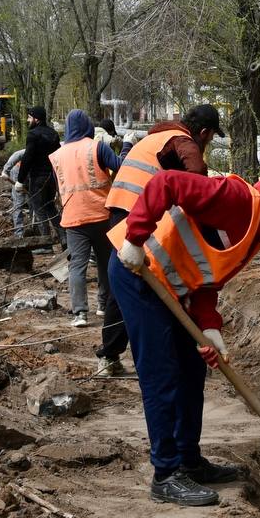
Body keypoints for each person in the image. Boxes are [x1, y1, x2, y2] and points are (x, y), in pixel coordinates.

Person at [110, 170, 260, 507]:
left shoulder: (257, 230)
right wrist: (135, 238)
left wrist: (209, 325)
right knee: (162, 375)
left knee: (193, 371)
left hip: (172, 288)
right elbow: (165, 183)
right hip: (139, 273)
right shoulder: (237, 200)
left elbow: (209, 275)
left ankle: (188, 460)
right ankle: (165, 475)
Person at [93, 103, 225, 376]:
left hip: (121, 209)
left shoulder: (156, 136)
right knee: (148, 282)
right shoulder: (182, 140)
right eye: (210, 138)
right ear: (203, 132)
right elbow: (196, 172)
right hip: (136, 214)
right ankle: (163, 356)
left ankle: (110, 355)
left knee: (125, 284)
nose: (208, 143)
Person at [49, 109, 129, 330]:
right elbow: (120, 167)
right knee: (105, 264)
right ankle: (103, 306)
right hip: (102, 215)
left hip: (73, 218)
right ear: (88, 127)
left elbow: (59, 187)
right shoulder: (96, 147)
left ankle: (80, 313)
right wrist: (128, 146)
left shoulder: (57, 155)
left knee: (77, 266)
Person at [18, 106, 64, 248]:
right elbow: (58, 157)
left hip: (37, 178)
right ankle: (65, 239)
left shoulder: (33, 134)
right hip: (51, 177)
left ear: (36, 119)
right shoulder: (54, 134)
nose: (27, 120)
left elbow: (27, 158)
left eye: (29, 117)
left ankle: (45, 245)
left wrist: (20, 180)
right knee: (51, 207)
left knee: (39, 209)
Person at [1, 148, 27, 238]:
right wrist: (5, 171)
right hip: (18, 171)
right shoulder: (32, 149)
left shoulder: (50, 151)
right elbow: (16, 154)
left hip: (33, 174)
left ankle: (35, 229)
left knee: (34, 203)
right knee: (18, 202)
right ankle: (18, 234)